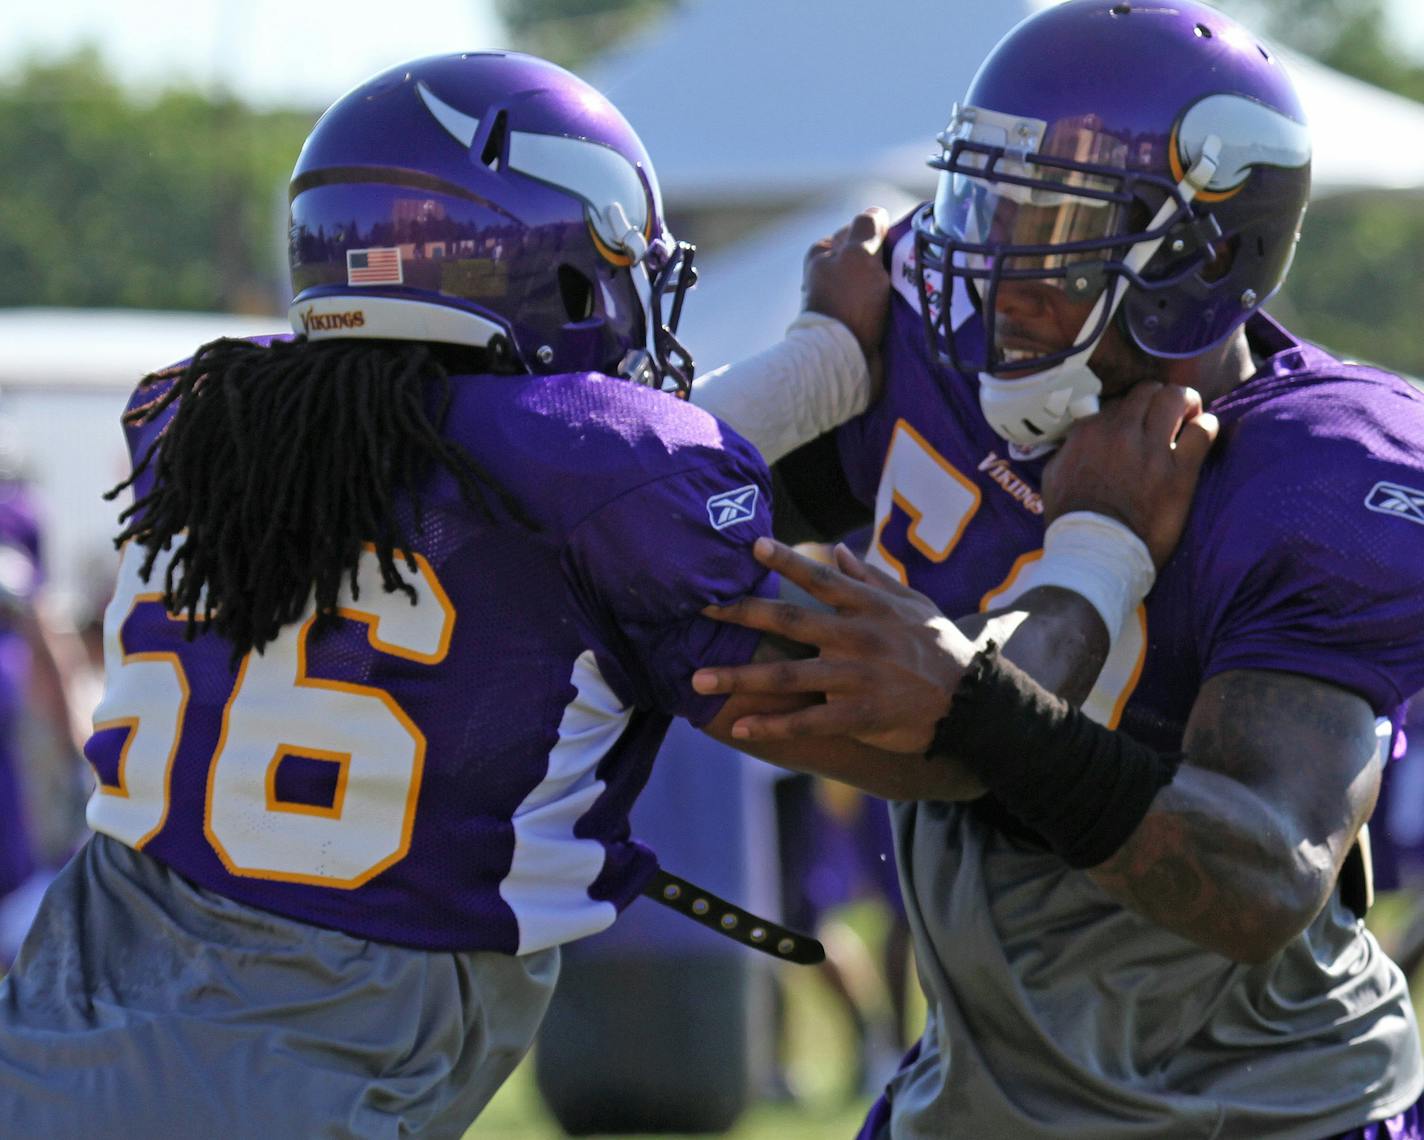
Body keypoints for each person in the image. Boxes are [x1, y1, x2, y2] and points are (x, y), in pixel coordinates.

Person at [0, 50, 1202, 1138]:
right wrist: (1095, 549)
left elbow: (513, 496)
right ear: (569, 269)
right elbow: (929, 720)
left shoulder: (203, 417)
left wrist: (817, 365)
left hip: (74, 996)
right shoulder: (597, 468)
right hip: (311, 1056)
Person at [688, 2, 1424, 1137]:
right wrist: (818, 366)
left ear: (1199, 250)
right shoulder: (923, 347)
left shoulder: (1318, 470)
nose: (996, 261)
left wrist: (982, 707)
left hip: (1258, 1113)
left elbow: (1262, 878)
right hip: (979, 1088)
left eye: (1051, 222)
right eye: (989, 200)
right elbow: (663, 532)